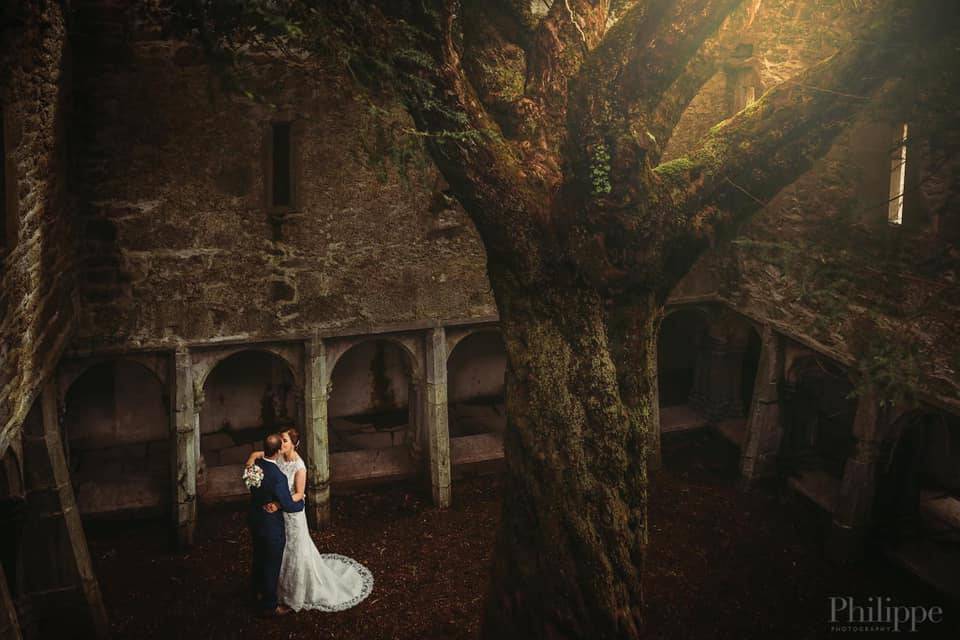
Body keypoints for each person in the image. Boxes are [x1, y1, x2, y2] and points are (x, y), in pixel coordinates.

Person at [246, 429, 374, 611]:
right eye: (280, 441)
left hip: (292, 514)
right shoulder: (276, 456)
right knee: (278, 552)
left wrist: (280, 504)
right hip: (278, 515)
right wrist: (251, 461)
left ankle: (294, 593)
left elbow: (299, 494)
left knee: (295, 551)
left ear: (293, 444)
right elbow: (259, 454)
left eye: (284, 441)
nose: (281, 444)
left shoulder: (300, 467)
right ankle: (276, 587)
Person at [247, 432, 304, 617]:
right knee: (271, 564)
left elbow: (250, 483)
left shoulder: (255, 466)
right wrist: (301, 500)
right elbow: (288, 504)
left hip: (255, 519)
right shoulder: (278, 476)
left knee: (258, 557)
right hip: (271, 525)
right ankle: (270, 606)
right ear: (279, 450)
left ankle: (255, 592)